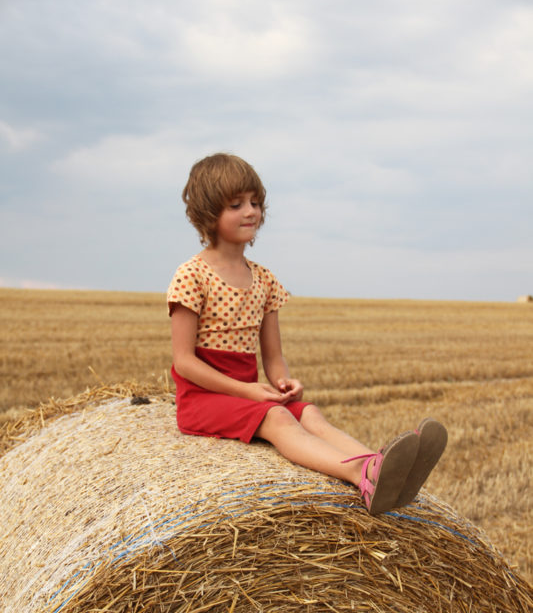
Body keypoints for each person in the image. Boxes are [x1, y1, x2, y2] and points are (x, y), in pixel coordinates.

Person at [167, 153, 447, 515]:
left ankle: (382, 466)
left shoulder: (264, 279)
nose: (251, 211)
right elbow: (184, 363)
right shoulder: (191, 276)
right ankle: (358, 474)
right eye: (236, 205)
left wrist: (283, 382)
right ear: (208, 214)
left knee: (309, 413)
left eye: (255, 202)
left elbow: (272, 358)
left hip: (250, 393)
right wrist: (249, 391)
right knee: (279, 418)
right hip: (205, 398)